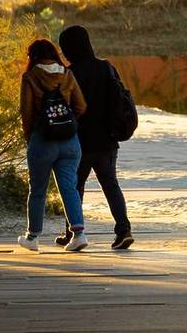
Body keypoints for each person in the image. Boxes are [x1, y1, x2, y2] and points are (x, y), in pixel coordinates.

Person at [56, 25, 134, 250]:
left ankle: (72, 233)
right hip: (107, 140)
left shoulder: (69, 74)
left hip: (79, 141)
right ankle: (123, 231)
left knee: (74, 187)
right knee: (111, 186)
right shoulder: (106, 67)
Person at [17, 39, 89, 252]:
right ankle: (79, 234)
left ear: (33, 56)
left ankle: (32, 237)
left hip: (42, 140)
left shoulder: (30, 77)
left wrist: (31, 136)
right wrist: (67, 124)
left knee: (38, 189)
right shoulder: (67, 74)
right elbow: (81, 106)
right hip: (70, 140)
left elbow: (27, 112)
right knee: (69, 187)